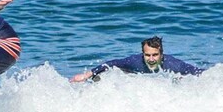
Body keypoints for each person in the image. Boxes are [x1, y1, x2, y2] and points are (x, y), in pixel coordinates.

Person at [70, 36, 204, 82]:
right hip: (132, 75)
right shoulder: (135, 61)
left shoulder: (173, 64)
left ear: (161, 54)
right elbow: (112, 63)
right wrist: (87, 74)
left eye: (155, 55)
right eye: (147, 55)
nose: (151, 59)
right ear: (142, 54)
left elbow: (195, 71)